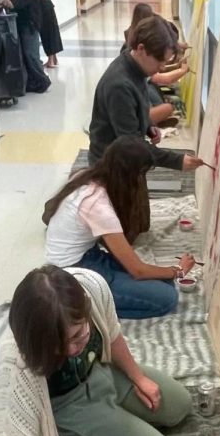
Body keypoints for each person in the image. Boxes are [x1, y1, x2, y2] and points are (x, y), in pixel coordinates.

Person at [0, 266, 192, 436]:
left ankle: (126, 430)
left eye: (77, 337)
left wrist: (138, 377)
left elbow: (113, 333)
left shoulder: (92, 286)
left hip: (100, 373)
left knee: (180, 405)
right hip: (70, 408)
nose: (71, 350)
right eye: (57, 347)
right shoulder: (18, 356)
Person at [44, 136, 196, 318]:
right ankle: (86, 303)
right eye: (141, 174)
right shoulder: (97, 206)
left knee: (165, 282)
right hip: (74, 273)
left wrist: (167, 274)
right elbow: (138, 271)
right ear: (129, 176)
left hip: (86, 257)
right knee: (168, 297)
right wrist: (178, 270)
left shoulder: (87, 176)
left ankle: (96, 296)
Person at [89, 15, 205, 170]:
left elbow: (136, 109)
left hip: (123, 159)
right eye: (160, 60)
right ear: (141, 49)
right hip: (109, 169)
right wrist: (176, 161)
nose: (162, 67)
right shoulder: (119, 86)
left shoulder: (137, 68)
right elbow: (131, 144)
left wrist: (148, 127)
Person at [7, 0, 51, 93]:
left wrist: (14, 3)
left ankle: (43, 81)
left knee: (30, 53)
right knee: (25, 53)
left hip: (30, 19)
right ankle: (32, 82)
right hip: (20, 18)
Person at [38, 0, 63, 68]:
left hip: (45, 9)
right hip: (45, 8)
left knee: (47, 34)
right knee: (50, 33)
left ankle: (51, 61)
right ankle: (54, 59)